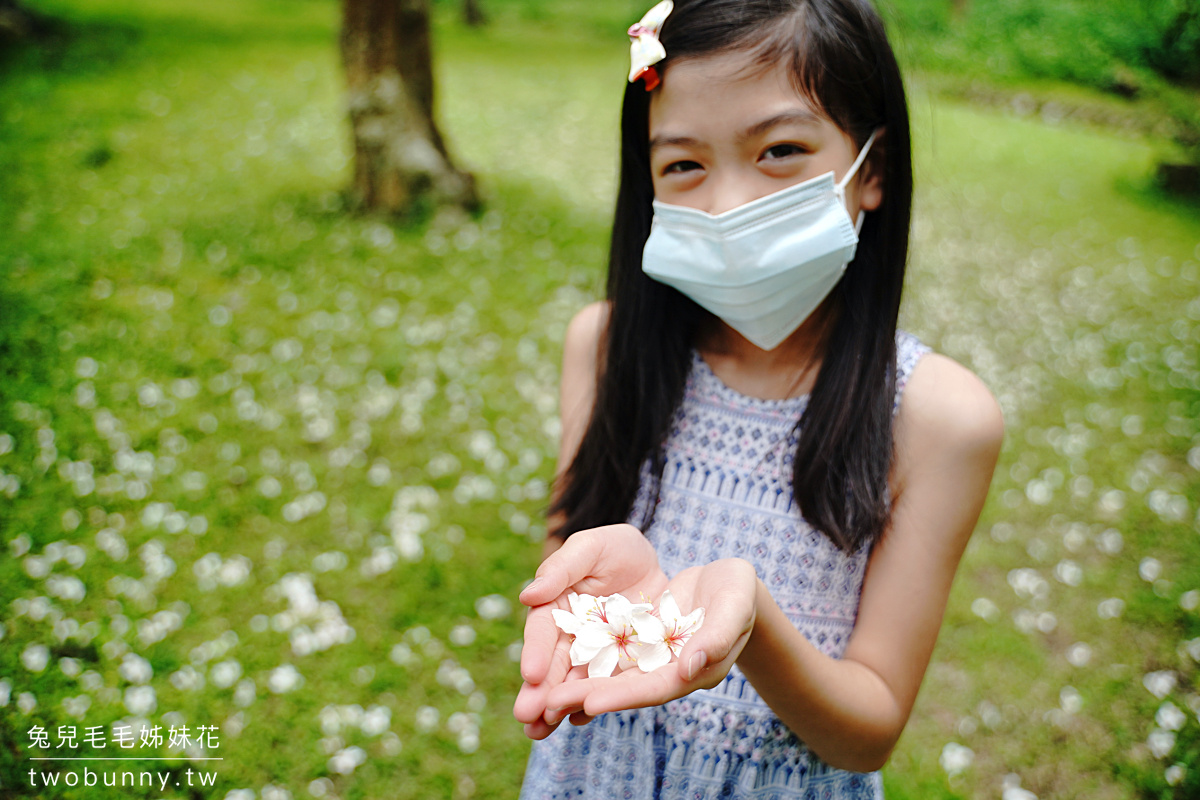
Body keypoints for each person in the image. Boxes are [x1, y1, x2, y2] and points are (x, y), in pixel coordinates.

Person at [513, 0, 1004, 797]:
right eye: (683, 165)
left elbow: (870, 729)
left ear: (871, 170)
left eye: (779, 151)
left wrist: (750, 627)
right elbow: (566, 591)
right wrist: (595, 614)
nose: (728, 206)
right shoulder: (602, 349)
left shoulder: (938, 417)